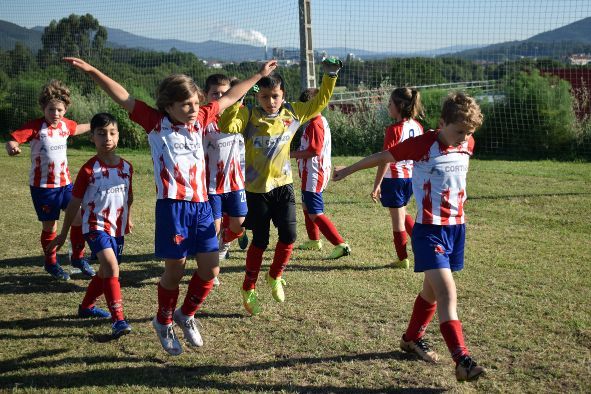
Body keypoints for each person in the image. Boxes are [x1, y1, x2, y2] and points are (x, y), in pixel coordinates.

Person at [65, 56, 277, 355]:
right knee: (174, 273)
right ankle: (163, 320)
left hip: (202, 205)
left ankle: (185, 315)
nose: (193, 110)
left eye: (195, 102)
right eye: (185, 105)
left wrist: (258, 74)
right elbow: (123, 96)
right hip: (173, 209)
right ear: (168, 106)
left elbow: (231, 96)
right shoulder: (156, 123)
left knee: (211, 270)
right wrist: (92, 71)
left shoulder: (202, 118)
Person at [333, 92, 486, 382]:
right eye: (458, 132)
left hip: (457, 229)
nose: (463, 138)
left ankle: (411, 338)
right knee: (447, 293)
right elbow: (384, 156)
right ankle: (462, 360)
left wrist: (464, 138)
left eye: (468, 133)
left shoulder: (468, 143)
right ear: (442, 123)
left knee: (431, 292)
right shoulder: (424, 144)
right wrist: (348, 170)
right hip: (429, 231)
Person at [219, 57, 342, 316]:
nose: (270, 101)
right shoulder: (248, 116)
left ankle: (274, 276)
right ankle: (248, 288)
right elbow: (226, 125)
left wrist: (330, 75)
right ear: (257, 97)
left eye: (274, 96)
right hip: (256, 190)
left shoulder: (293, 112)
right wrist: (238, 99)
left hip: (283, 187)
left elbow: (319, 102)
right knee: (261, 242)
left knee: (289, 236)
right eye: (264, 96)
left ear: (282, 95)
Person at [46, 113, 133, 338]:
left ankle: (86, 307)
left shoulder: (127, 167)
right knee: (112, 268)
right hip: (95, 226)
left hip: (117, 227)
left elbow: (128, 196)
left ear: (118, 136)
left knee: (105, 271)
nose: (107, 138)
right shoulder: (88, 170)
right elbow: (74, 204)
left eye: (112, 133)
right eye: (101, 133)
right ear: (92, 138)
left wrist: (129, 218)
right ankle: (119, 321)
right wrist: (63, 234)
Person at [5, 80, 94, 281]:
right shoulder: (36, 127)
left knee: (79, 217)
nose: (56, 114)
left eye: (60, 110)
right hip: (43, 188)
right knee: (50, 228)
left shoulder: (65, 125)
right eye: (51, 109)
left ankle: (78, 258)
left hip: (65, 184)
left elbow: (77, 128)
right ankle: (51, 263)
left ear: (65, 110)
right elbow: (13, 139)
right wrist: (11, 147)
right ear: (43, 108)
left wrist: (95, 123)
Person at [291, 87, 350, 259]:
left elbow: (314, 151)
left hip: (314, 173)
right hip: (310, 172)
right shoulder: (315, 120)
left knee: (315, 212)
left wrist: (291, 154)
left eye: (304, 107)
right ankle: (314, 240)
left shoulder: (315, 124)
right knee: (306, 206)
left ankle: (341, 244)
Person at [371, 87, 424, 269]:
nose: (388, 106)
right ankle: (421, 247)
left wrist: (376, 185)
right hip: (410, 178)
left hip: (394, 180)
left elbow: (385, 159)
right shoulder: (417, 126)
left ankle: (402, 259)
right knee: (403, 213)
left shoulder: (393, 130)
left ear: (400, 105)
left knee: (397, 221)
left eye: (390, 103)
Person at [203, 75, 249, 276]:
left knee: (239, 227)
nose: (220, 97)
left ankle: (225, 243)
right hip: (211, 185)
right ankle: (210, 271)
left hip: (235, 183)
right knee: (212, 230)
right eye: (215, 93)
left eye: (224, 93)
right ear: (206, 96)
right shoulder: (203, 121)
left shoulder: (238, 117)